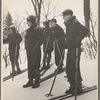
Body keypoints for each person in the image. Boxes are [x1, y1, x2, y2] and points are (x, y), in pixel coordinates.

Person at [62, 9, 89, 94]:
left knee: (75, 67)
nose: (63, 17)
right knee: (69, 67)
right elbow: (70, 37)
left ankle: (78, 86)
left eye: (65, 15)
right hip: (70, 48)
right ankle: (72, 85)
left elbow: (85, 30)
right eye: (63, 16)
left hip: (75, 48)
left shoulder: (75, 22)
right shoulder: (68, 24)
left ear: (69, 15)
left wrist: (78, 39)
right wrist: (65, 44)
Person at [23, 15, 44, 88]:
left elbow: (42, 39)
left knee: (36, 65)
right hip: (29, 50)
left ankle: (37, 80)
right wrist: (26, 46)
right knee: (30, 65)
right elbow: (26, 39)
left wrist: (37, 45)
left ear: (32, 21)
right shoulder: (28, 30)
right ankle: (30, 80)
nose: (27, 23)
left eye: (28, 22)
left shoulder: (38, 29)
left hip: (36, 50)